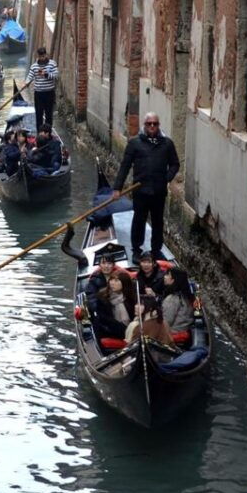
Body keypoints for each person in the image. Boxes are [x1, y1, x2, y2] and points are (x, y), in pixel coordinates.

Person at [112, 113, 180, 263]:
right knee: (139, 220)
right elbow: (125, 166)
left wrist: (166, 178)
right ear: (144, 125)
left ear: (158, 125)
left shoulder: (167, 144)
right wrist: (117, 188)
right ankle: (136, 251)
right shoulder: (135, 143)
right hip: (140, 191)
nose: (152, 126)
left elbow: (175, 164)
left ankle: (156, 251)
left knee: (158, 222)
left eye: (155, 124)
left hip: (158, 191)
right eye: (149, 124)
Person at [91, 272, 135, 340]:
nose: (112, 283)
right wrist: (125, 330)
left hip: (131, 330)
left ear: (124, 283)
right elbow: (105, 320)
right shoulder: (102, 297)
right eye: (111, 280)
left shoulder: (131, 297)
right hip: (110, 332)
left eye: (116, 281)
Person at [26, 47, 59, 131]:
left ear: (46, 55)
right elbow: (29, 77)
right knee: (39, 114)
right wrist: (27, 82)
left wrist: (46, 74)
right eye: (40, 57)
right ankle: (39, 133)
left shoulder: (52, 63)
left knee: (49, 114)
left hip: (49, 93)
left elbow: (56, 76)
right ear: (38, 56)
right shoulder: (34, 66)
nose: (42, 58)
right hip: (38, 94)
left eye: (43, 56)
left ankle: (48, 133)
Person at [162, 267, 195, 333]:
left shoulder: (172, 299)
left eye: (167, 275)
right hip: (184, 328)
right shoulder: (186, 295)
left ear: (173, 280)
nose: (164, 277)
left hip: (173, 332)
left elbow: (166, 322)